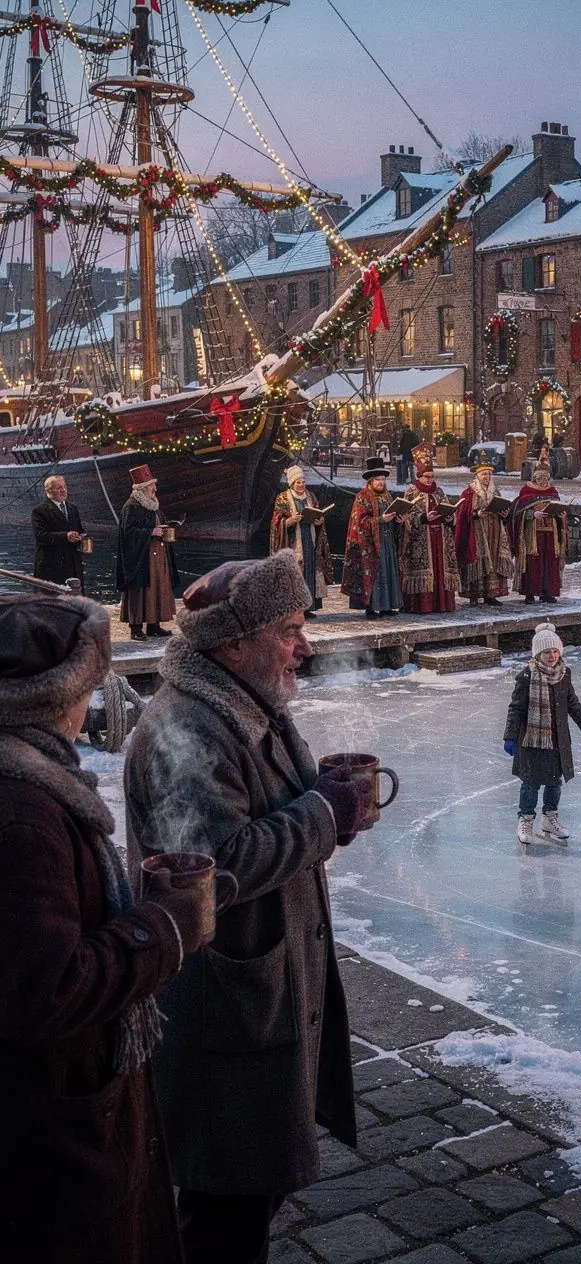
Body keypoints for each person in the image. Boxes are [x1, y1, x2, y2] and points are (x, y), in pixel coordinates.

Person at [125, 553, 360, 1264]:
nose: (304, 646)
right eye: (288, 630)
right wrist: (324, 813)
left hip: (262, 996)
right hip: (224, 1010)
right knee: (224, 1210)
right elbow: (213, 866)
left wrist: (326, 792)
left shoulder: (248, 700)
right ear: (232, 643)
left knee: (249, 1193)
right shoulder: (190, 731)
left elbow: (268, 809)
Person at [0, 593, 208, 1263]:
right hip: (53, 1129)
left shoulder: (31, 781)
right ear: (59, 698)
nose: (94, 704)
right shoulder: (24, 813)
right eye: (90, 688)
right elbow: (46, 988)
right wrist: (161, 928)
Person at [504, 622, 581, 844]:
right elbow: (516, 708)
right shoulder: (527, 677)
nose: (552, 656)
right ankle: (526, 819)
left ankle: (549, 818)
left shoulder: (564, 674)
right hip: (532, 741)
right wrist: (510, 736)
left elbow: (572, 702)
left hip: (557, 741)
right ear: (537, 654)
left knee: (554, 782)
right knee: (531, 782)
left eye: (555, 651)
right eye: (546, 652)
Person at [116, 463, 180, 641]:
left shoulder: (153, 505)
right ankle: (136, 628)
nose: (155, 489)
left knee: (157, 588)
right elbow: (127, 533)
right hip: (141, 558)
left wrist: (164, 530)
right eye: (151, 486)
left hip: (158, 557)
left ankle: (154, 625)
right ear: (142, 488)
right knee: (139, 591)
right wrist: (150, 532)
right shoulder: (131, 506)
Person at [399, 443, 460, 613]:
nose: (429, 480)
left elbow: (449, 510)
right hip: (422, 538)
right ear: (419, 476)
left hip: (440, 537)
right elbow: (406, 515)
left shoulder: (439, 492)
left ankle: (442, 603)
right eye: (426, 476)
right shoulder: (411, 493)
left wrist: (450, 517)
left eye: (432, 476)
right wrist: (423, 518)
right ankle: (423, 605)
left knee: (440, 569)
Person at [341, 455, 403, 616]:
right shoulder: (362, 497)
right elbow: (359, 521)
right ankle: (372, 606)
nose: (381, 482)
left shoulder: (387, 496)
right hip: (370, 543)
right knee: (375, 572)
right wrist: (380, 520)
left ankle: (387, 605)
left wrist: (398, 520)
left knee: (388, 570)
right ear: (370, 481)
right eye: (378, 479)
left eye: (383, 479)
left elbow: (391, 516)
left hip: (387, 540)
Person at [270, 464, 333, 616]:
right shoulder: (283, 498)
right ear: (292, 483)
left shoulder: (311, 496)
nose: (301, 485)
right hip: (292, 542)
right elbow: (276, 523)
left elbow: (317, 514)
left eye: (303, 482)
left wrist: (319, 521)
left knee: (309, 571)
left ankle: (308, 608)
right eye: (298, 482)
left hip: (309, 539)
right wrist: (290, 521)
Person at [454, 453, 514, 606]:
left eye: (488, 474)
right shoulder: (469, 492)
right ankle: (474, 594)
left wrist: (504, 514)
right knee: (477, 560)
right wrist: (476, 514)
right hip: (476, 531)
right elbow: (462, 514)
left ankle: (490, 594)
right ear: (477, 476)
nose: (487, 477)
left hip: (494, 531)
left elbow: (502, 508)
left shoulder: (495, 491)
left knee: (493, 560)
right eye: (484, 474)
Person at [512, 460, 566, 603]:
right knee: (532, 563)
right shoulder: (526, 491)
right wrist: (532, 514)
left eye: (546, 478)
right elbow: (518, 512)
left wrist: (561, 516)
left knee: (550, 563)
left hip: (551, 533)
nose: (544, 481)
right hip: (533, 533)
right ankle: (530, 592)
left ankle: (547, 592)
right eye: (540, 478)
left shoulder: (552, 491)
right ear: (535, 478)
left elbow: (558, 508)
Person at [31, 474, 85, 588]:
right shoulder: (39, 511)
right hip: (52, 569)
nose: (63, 490)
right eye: (58, 487)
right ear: (49, 491)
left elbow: (80, 530)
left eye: (64, 486)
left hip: (73, 567)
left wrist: (82, 539)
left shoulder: (73, 508)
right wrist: (66, 536)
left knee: (75, 597)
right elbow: (41, 536)